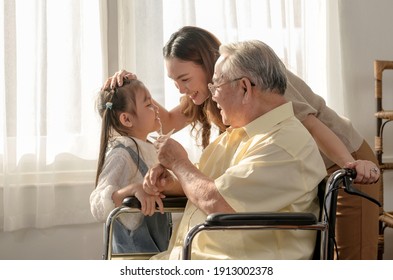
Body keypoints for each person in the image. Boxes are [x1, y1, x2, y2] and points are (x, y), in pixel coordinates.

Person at [104, 26, 380, 259]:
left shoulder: (266, 90)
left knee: (347, 260)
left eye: (184, 79)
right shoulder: (228, 104)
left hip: (340, 156)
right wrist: (129, 89)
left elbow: (310, 125)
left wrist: (351, 166)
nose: (180, 89)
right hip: (284, 170)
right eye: (174, 81)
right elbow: (166, 121)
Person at [143, 39, 327, 259]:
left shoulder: (284, 143)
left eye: (216, 85)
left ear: (244, 87)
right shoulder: (236, 136)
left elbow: (217, 201)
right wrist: (171, 181)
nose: (213, 95)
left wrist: (179, 163)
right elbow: (201, 184)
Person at [90, 79, 171, 254]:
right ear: (126, 119)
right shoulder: (121, 154)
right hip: (133, 253)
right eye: (149, 104)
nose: (156, 108)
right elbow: (97, 203)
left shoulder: (151, 148)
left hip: (158, 247)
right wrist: (133, 190)